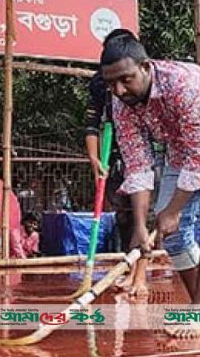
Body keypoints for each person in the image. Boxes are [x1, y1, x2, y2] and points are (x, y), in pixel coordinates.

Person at [99, 34, 200, 336]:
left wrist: (173, 211)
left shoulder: (182, 84)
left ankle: (198, 313)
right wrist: (141, 226)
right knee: (170, 234)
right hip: (181, 146)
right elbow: (138, 164)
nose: (118, 90)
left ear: (146, 67)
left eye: (126, 79)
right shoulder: (121, 103)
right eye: (111, 83)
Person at [84, 29, 136, 252]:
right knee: (123, 215)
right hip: (115, 155)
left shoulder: (144, 78)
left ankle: (143, 267)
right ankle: (128, 260)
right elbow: (91, 123)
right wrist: (94, 159)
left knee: (144, 212)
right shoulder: (99, 84)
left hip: (145, 154)